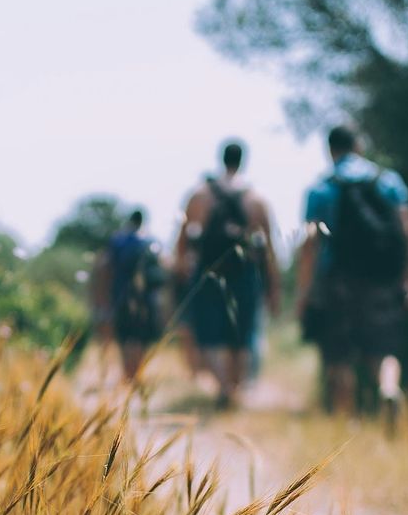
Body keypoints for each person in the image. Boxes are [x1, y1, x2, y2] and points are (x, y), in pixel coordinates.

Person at [296, 126, 408, 429]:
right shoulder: (388, 181)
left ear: (330, 150)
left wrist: (305, 291)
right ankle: (388, 389)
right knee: (383, 345)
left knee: (340, 353)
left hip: (338, 278)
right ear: (359, 145)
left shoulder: (321, 188)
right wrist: (407, 277)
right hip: (382, 276)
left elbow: (311, 244)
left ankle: (346, 424)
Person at [175, 141, 281, 408]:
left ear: (221, 159)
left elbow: (182, 241)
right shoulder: (256, 198)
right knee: (241, 333)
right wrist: (273, 288)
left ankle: (223, 386)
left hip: (209, 272)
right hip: (245, 273)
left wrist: (181, 274)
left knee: (210, 333)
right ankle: (234, 389)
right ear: (243, 160)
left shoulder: (200, 195)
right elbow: (269, 249)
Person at [92, 209, 166, 383]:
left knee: (125, 337)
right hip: (147, 298)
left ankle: (128, 374)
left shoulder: (118, 241)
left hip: (122, 296)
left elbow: (104, 268)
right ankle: (136, 373)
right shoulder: (151, 240)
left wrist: (101, 298)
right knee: (141, 336)